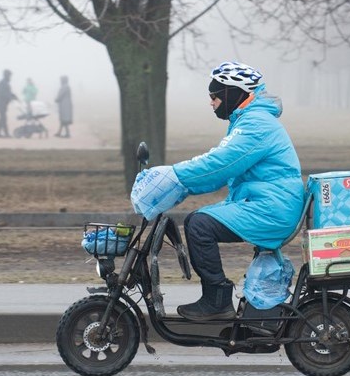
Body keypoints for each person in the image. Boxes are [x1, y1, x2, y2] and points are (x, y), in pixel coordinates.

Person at [130, 61, 304, 321]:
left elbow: (221, 164)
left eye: (214, 96)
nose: (211, 102)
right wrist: (182, 184)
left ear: (232, 93)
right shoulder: (250, 120)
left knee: (200, 225)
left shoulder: (256, 124)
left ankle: (217, 301)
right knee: (199, 219)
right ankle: (222, 302)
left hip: (272, 209)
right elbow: (220, 169)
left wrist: (175, 176)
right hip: (267, 203)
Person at [0, 69, 18, 138]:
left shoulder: (6, 83)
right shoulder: (2, 83)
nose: (10, 77)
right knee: (3, 118)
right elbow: (3, 93)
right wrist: (10, 97)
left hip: (4, 103)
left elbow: (8, 92)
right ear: (6, 75)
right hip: (0, 103)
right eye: (9, 75)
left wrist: (14, 96)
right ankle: (6, 133)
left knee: (2, 118)